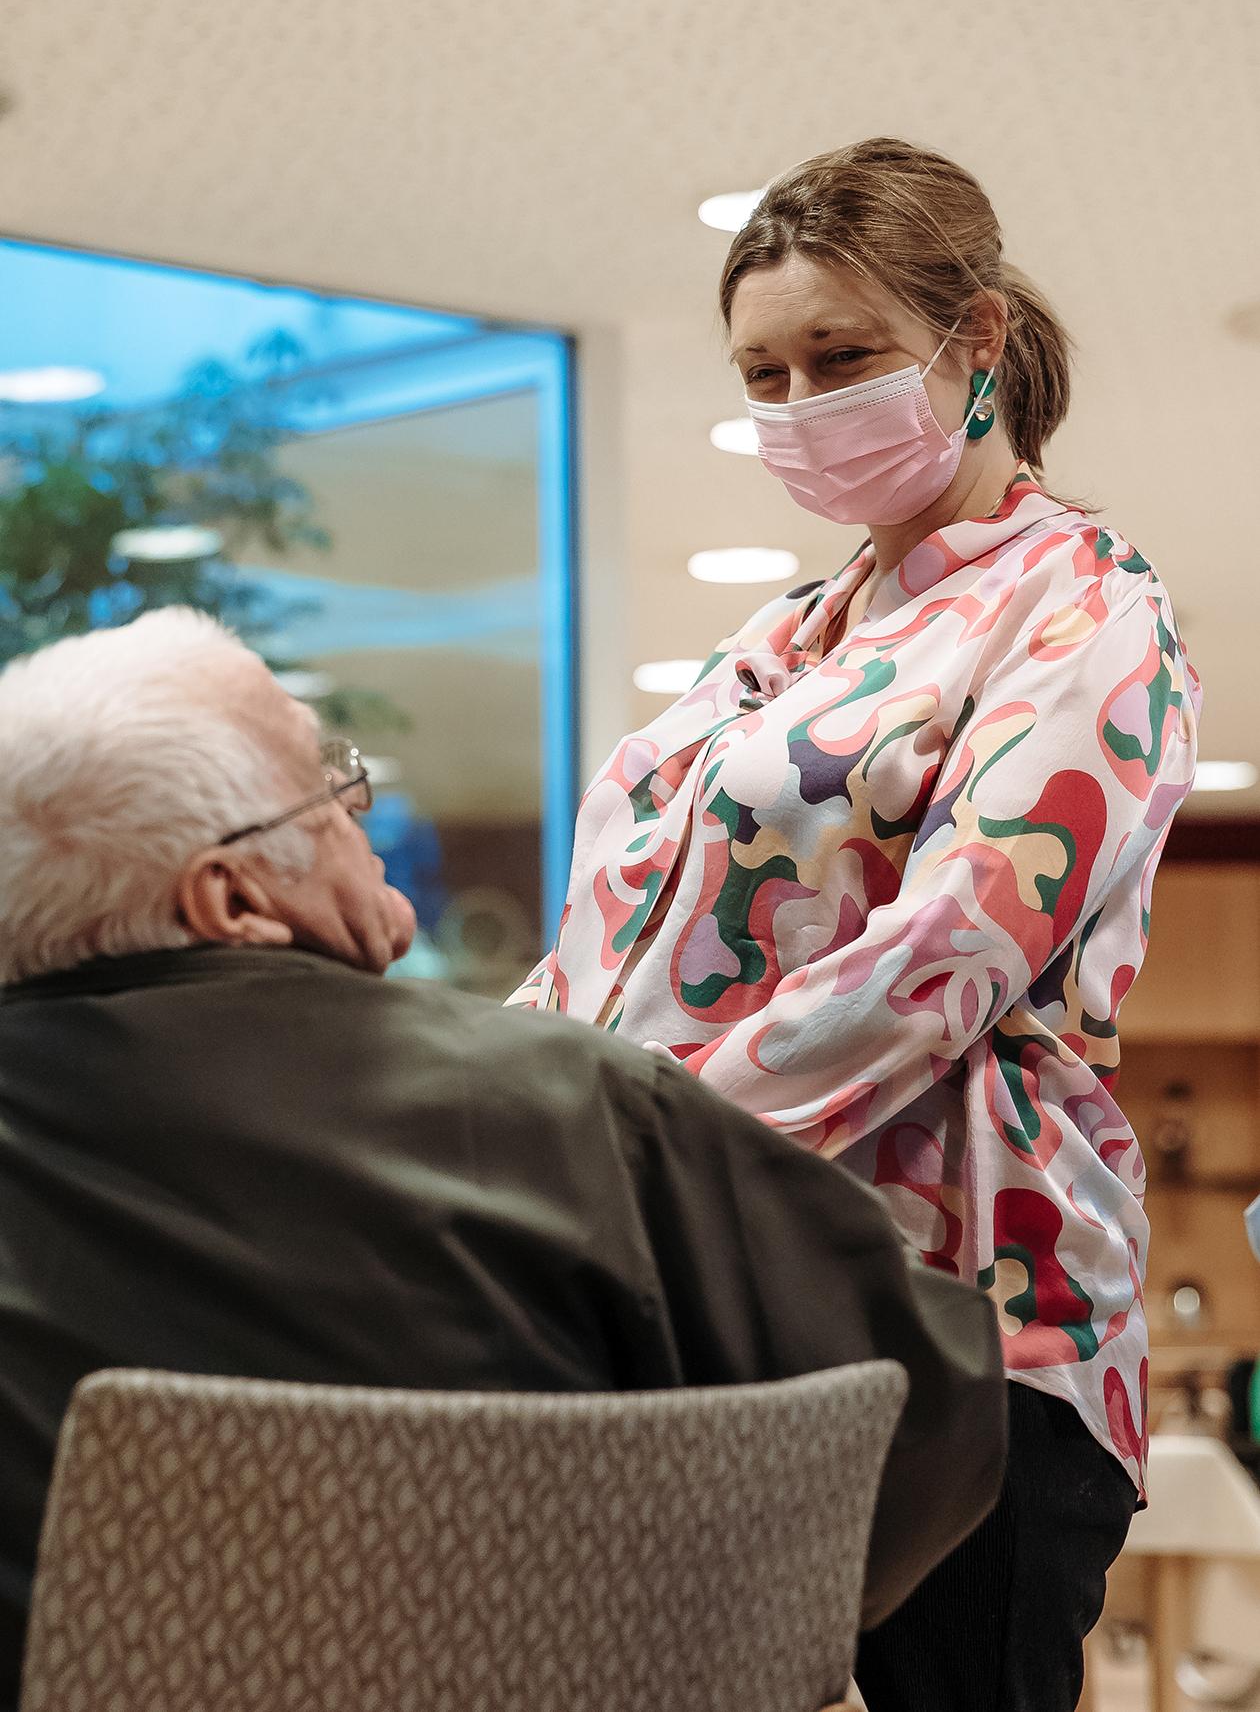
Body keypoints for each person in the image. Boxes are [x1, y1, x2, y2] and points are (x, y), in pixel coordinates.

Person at [0, 608, 1005, 1711]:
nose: (361, 816)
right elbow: (919, 1413)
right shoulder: (576, 1116)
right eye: (327, 790)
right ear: (232, 899)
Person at [509, 137, 1202, 1712]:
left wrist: (628, 1145)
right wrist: (487, 1110)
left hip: (961, 1323)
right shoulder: (791, 635)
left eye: (843, 355)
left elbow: (940, 960)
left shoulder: (1084, 603)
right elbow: (607, 945)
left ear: (977, 342)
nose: (799, 401)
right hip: (711, 1302)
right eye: (765, 369)